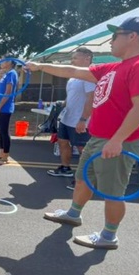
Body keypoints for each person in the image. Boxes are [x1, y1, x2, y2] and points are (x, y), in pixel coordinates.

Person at [27, 17, 139, 250]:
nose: (110, 41)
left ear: (132, 36)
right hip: (98, 138)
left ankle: (109, 236)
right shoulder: (113, 67)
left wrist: (117, 140)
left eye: (115, 36)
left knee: (112, 192)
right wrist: (39, 66)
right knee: (83, 179)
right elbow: (73, 70)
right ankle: (73, 214)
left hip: (120, 142)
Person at [47, 47, 95, 180]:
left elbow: (91, 99)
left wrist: (83, 119)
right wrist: (62, 104)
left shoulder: (89, 76)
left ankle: (85, 178)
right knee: (62, 142)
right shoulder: (74, 77)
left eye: (75, 58)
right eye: (72, 58)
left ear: (87, 59)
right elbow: (71, 96)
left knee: (82, 149)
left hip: (80, 120)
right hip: (67, 118)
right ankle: (65, 168)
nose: (72, 60)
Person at [0, 58, 18, 165]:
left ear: (9, 62)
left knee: (4, 132)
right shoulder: (6, 74)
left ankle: (5, 157)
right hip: (0, 108)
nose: (0, 63)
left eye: (3, 61)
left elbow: (8, 93)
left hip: (5, 109)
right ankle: (1, 154)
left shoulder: (12, 73)